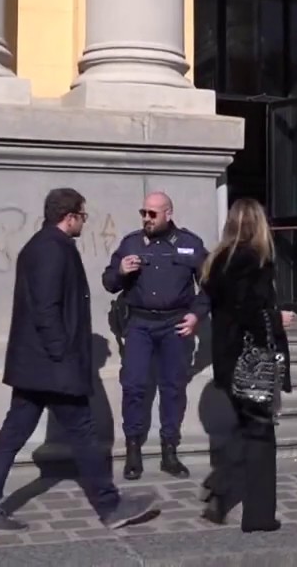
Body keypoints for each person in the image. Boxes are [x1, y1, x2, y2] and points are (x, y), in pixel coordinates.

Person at [0, 188, 156, 534]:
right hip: (52, 366)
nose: (84, 222)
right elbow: (46, 308)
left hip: (36, 366)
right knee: (83, 433)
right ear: (69, 217)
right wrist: (62, 354)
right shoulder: (51, 249)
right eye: (83, 216)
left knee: (13, 434)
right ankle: (109, 505)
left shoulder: (44, 245)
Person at [196, 198, 294, 533]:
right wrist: (277, 319)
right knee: (261, 436)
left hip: (228, 360)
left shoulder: (218, 260)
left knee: (245, 430)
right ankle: (259, 516)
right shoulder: (253, 261)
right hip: (251, 362)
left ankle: (221, 492)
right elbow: (248, 310)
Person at [102, 191, 209, 480]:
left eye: (152, 213)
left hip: (175, 324)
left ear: (168, 214)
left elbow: (210, 285)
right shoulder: (131, 243)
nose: (146, 218)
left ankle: (169, 451)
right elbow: (109, 282)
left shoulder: (189, 244)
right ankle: (133, 451)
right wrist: (121, 271)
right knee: (134, 386)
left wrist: (196, 315)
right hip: (139, 324)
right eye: (143, 213)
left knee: (172, 388)